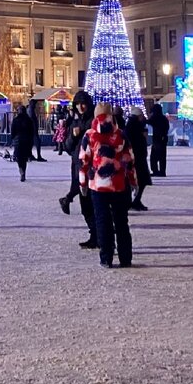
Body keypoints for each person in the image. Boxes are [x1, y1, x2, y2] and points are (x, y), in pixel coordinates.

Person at [80, 104, 135, 268]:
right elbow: (129, 159)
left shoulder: (90, 135)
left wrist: (82, 181)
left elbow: (83, 160)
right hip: (118, 184)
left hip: (98, 185)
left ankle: (106, 257)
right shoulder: (120, 134)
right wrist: (133, 181)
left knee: (103, 221)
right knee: (121, 221)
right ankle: (125, 257)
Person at [125, 105, 151, 211]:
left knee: (138, 181)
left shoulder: (133, 125)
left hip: (136, 157)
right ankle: (134, 201)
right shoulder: (135, 126)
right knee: (139, 180)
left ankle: (134, 200)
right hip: (136, 158)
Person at [10, 104, 35, 181]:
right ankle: (23, 171)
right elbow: (32, 131)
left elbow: (13, 131)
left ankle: (21, 169)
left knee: (19, 157)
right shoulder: (29, 120)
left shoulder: (15, 120)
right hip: (27, 141)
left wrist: (12, 139)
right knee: (24, 158)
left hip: (18, 141)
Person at [148, 103, 169, 176]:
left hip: (157, 139)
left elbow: (148, 121)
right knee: (162, 157)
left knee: (153, 157)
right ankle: (162, 171)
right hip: (163, 138)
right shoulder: (164, 118)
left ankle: (155, 171)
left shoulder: (155, 117)